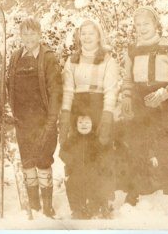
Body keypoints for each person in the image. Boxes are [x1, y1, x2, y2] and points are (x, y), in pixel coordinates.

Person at [121, 6, 168, 216]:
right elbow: (127, 79)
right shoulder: (132, 49)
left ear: (156, 24)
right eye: (138, 25)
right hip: (140, 101)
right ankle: (133, 193)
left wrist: (165, 93)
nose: (142, 28)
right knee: (135, 145)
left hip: (163, 101)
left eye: (146, 24)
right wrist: (126, 96)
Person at [59, 19, 119, 219]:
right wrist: (66, 116)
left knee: (100, 158)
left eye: (91, 33)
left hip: (98, 108)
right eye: (83, 34)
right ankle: (78, 205)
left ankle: (99, 202)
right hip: (78, 111)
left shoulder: (108, 60)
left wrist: (107, 117)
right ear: (79, 37)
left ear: (98, 36)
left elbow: (111, 90)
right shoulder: (72, 60)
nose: (86, 37)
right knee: (77, 160)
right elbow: (68, 90)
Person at [6, 17, 62, 218]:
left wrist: (52, 119)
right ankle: (34, 205)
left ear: (40, 35)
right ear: (20, 36)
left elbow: (56, 90)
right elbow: (8, 86)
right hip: (22, 120)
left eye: (32, 33)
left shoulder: (48, 58)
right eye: (25, 33)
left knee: (43, 160)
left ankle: (47, 207)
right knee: (27, 161)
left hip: (43, 120)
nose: (28, 37)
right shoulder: (15, 57)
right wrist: (10, 113)